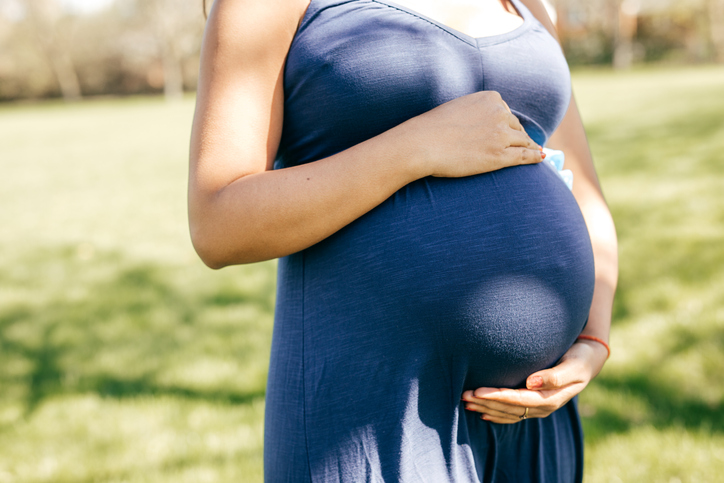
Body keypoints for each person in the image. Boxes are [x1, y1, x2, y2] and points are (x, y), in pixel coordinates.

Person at [188, 0, 618, 481]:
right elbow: (217, 221)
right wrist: (417, 147)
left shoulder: (534, 4)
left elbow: (583, 187)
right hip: (371, 410)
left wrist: (593, 338)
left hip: (536, 411)